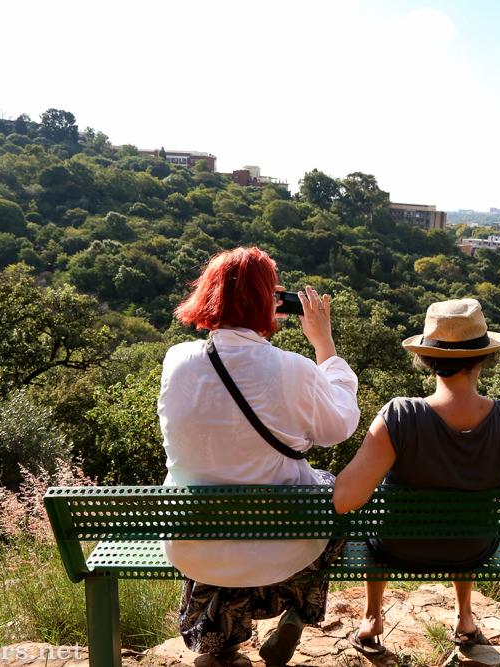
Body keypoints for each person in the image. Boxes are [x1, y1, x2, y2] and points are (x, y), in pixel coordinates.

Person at [333, 298, 500, 656]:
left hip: (397, 548)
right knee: (467, 514)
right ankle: (464, 617)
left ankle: (371, 618)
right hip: (472, 548)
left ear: (428, 361)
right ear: (484, 358)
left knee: (383, 507)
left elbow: (345, 500)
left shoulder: (399, 416)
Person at [158, 247, 360, 666]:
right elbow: (340, 426)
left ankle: (220, 645)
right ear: (266, 301)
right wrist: (324, 345)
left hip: (194, 541)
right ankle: (297, 612)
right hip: (282, 545)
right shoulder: (295, 369)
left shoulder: (177, 360)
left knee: (224, 510)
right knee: (330, 493)